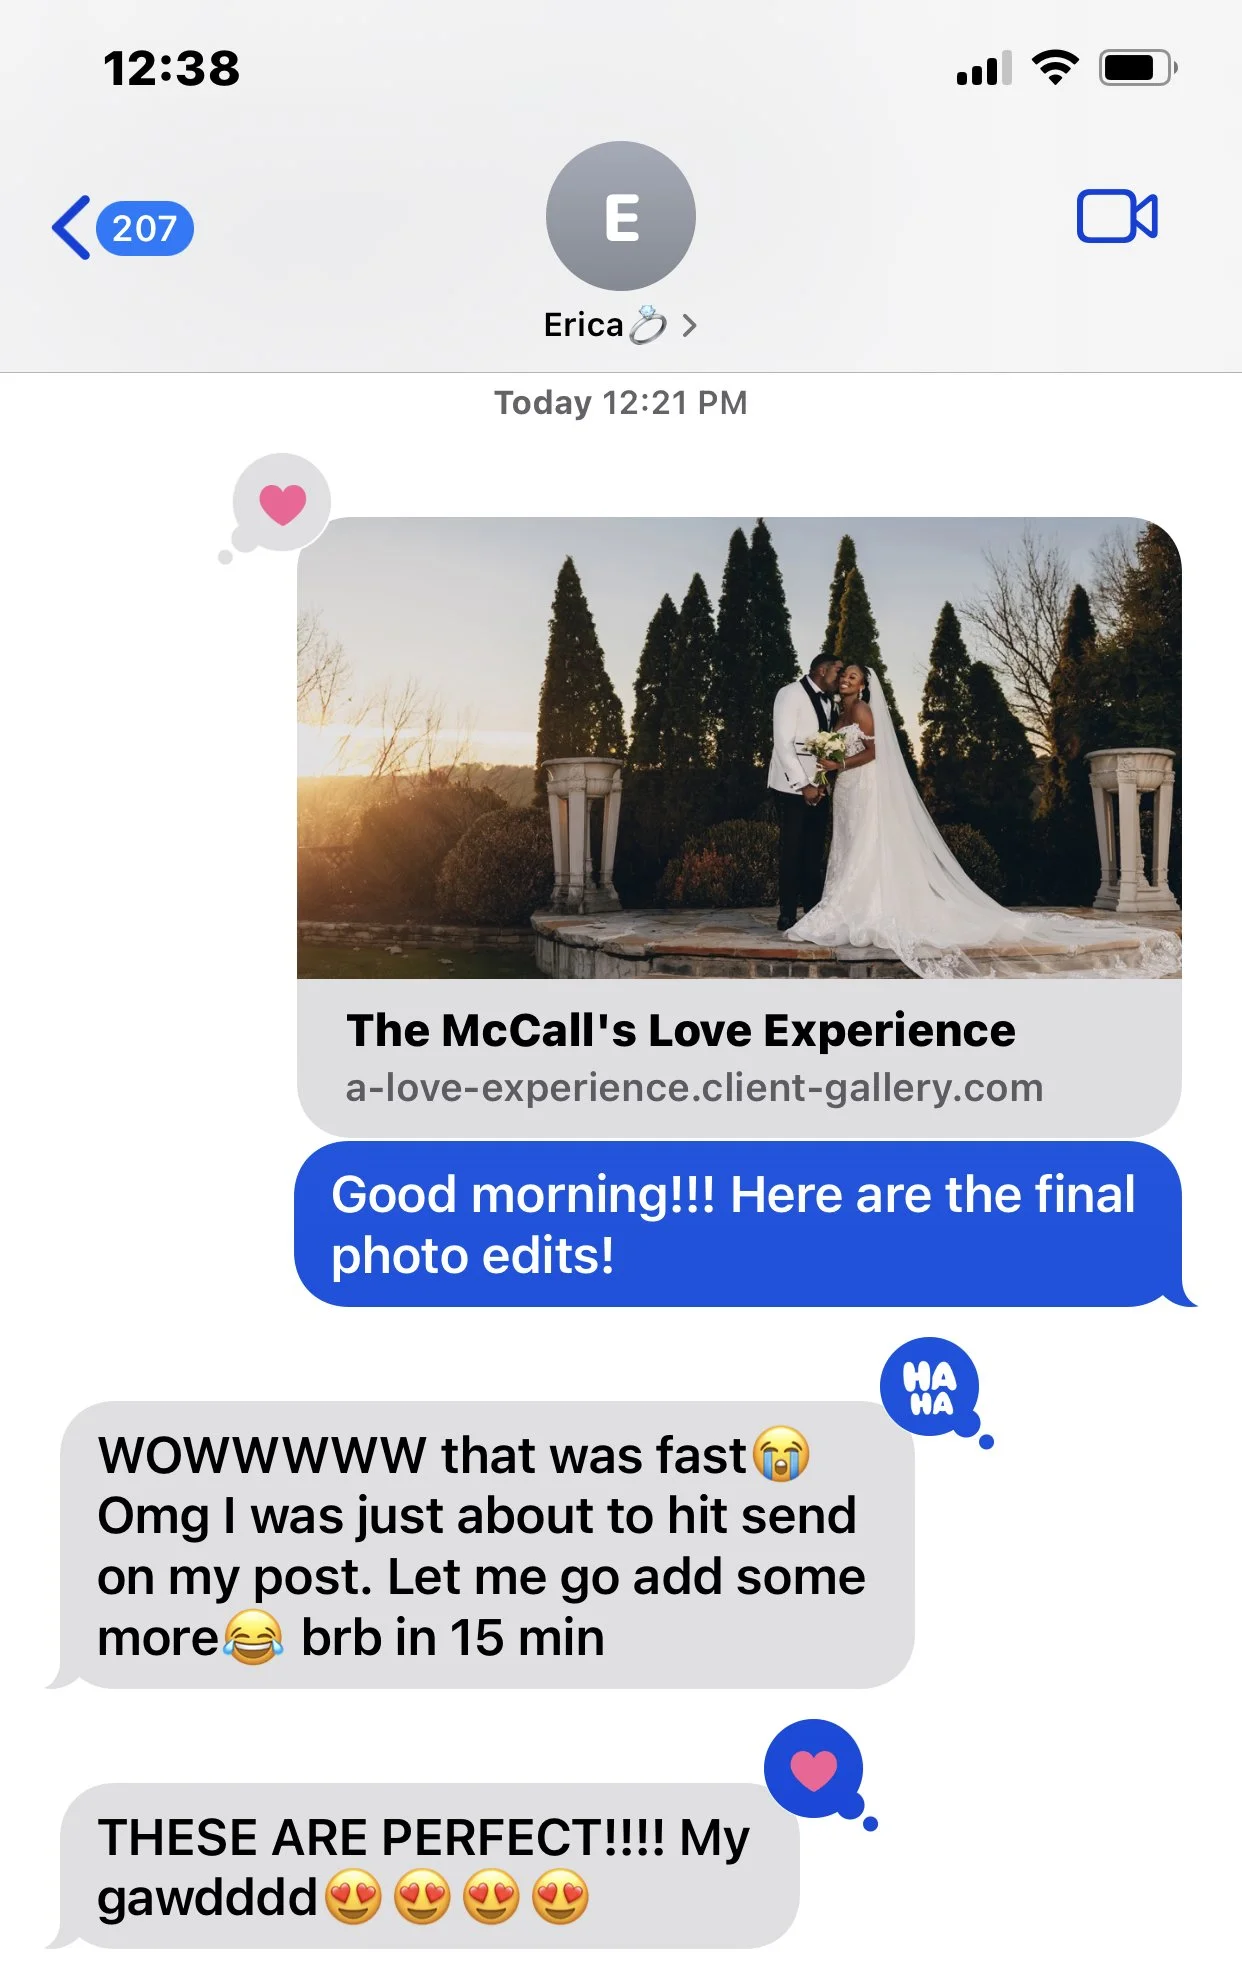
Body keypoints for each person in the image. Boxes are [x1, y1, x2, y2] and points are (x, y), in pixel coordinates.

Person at [787, 663, 1180, 979]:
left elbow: (875, 754)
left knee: (867, 843)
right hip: (848, 790)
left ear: (863, 685)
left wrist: (837, 764)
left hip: (864, 784)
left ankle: (865, 907)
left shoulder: (861, 710)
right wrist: (829, 768)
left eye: (852, 676)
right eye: (843, 675)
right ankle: (846, 902)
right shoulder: (840, 712)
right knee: (850, 843)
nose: (845, 680)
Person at [768, 652, 841, 931]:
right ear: (822, 671)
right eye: (837, 671)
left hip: (820, 787)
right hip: (791, 788)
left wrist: (821, 783)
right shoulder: (789, 694)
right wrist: (804, 785)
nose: (839, 677)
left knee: (813, 851)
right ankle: (787, 913)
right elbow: (783, 743)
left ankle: (812, 911)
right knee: (791, 850)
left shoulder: (830, 701)